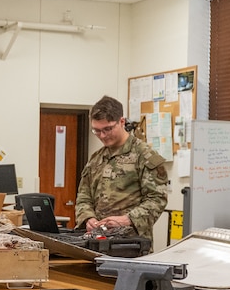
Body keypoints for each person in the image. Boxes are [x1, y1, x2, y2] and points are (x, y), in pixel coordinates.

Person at [72, 95, 171, 239]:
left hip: (131, 243)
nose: (102, 135)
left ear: (122, 122)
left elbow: (157, 199)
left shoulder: (144, 156)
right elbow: (84, 196)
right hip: (97, 241)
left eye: (108, 129)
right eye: (97, 131)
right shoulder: (96, 159)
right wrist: (88, 218)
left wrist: (128, 219)